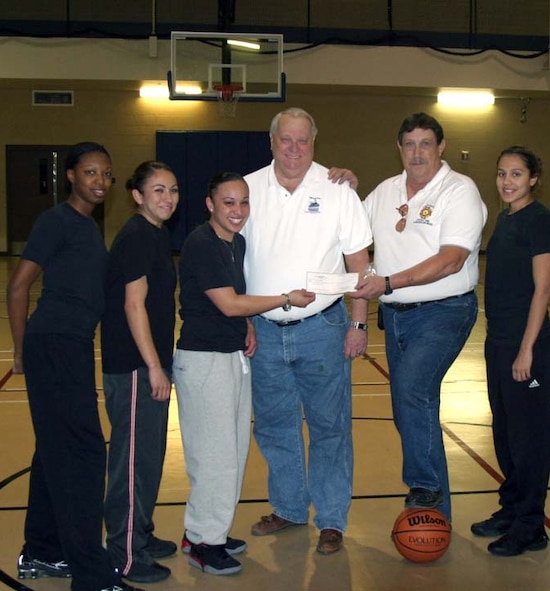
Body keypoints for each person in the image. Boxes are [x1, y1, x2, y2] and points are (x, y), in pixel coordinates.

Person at [7, 141, 142, 591]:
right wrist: (20, 351)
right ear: (70, 176)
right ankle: (90, 573)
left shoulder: (87, 228)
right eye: (90, 173)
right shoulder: (56, 221)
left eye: (106, 174)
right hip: (54, 345)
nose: (100, 181)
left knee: (53, 451)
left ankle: (43, 552)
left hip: (74, 347)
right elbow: (18, 286)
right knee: (85, 454)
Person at [241, 107, 372, 556]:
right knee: (275, 427)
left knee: (329, 428)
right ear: (271, 141)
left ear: (314, 143)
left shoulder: (338, 190)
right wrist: (243, 321)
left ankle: (331, 519)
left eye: (303, 141)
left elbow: (360, 265)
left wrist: (358, 322)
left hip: (324, 327)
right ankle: (289, 507)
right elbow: (234, 263)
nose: (294, 149)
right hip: (263, 329)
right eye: (286, 140)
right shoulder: (248, 189)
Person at [174, 171, 315, 575]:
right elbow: (230, 304)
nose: (237, 211)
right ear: (210, 204)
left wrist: (249, 326)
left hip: (231, 355)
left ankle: (201, 531)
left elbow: (236, 306)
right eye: (228, 202)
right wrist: (286, 298)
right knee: (215, 458)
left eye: (243, 203)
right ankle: (205, 542)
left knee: (232, 453)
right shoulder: (201, 244)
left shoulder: (234, 243)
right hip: (204, 362)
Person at [352, 112, 487, 522]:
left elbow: (451, 261)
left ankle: (425, 487)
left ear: (441, 147)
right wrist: (334, 184)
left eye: (425, 143)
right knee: (408, 407)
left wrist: (389, 282)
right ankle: (436, 515)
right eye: (409, 144)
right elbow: (349, 229)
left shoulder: (458, 190)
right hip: (395, 319)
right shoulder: (385, 191)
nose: (417, 152)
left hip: (445, 311)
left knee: (413, 391)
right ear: (399, 148)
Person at [469, 146, 550, 557]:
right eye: (502, 173)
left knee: (529, 438)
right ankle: (511, 508)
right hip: (499, 341)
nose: (507, 181)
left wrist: (526, 350)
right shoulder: (506, 218)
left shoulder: (540, 221)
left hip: (527, 346)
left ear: (534, 178)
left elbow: (542, 289)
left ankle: (531, 526)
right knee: (505, 433)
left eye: (517, 174)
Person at [101, 161, 180, 584]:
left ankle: (140, 534)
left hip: (148, 363)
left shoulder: (154, 233)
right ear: (137, 195)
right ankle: (125, 554)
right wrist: (152, 367)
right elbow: (134, 305)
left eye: (172, 190)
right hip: (133, 367)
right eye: (157, 191)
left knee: (148, 458)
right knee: (131, 463)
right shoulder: (135, 237)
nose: (167, 198)